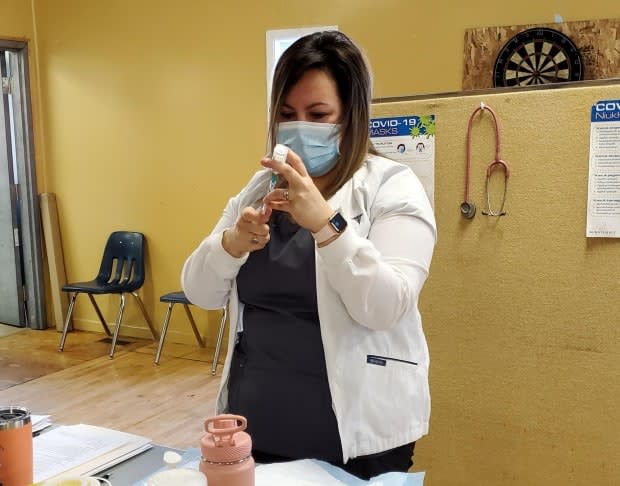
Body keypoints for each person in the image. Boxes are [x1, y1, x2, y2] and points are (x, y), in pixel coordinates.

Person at [181, 30, 436, 480]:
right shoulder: (260, 189)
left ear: (351, 117)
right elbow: (198, 290)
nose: (300, 128)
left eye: (318, 114)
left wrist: (326, 225)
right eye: (287, 114)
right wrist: (232, 244)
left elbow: (386, 305)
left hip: (357, 439)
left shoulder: (392, 187)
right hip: (257, 427)